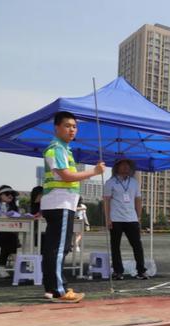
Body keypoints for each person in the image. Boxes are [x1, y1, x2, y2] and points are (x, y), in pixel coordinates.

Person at [41, 111, 105, 303]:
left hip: (59, 203)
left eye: (74, 126)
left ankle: (52, 288)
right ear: (57, 128)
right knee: (59, 248)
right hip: (60, 203)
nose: (72, 130)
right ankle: (60, 290)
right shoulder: (57, 148)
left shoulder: (63, 149)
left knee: (54, 248)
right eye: (67, 126)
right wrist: (93, 171)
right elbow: (67, 176)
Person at [103, 158, 148, 280]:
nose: (126, 168)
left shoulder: (134, 182)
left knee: (137, 245)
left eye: (128, 165)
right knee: (115, 246)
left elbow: (138, 200)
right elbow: (106, 201)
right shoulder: (110, 182)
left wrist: (138, 217)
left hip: (131, 219)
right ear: (116, 167)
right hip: (116, 218)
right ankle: (118, 271)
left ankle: (141, 271)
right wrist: (108, 218)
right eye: (123, 165)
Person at [0, 185, 21, 278]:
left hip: (10, 234)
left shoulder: (14, 207)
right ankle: (17, 264)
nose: (10, 196)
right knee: (9, 239)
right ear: (0, 195)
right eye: (7, 194)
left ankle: (3, 268)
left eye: (12, 194)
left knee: (10, 238)